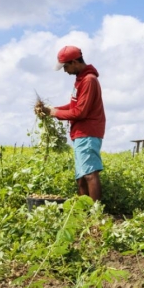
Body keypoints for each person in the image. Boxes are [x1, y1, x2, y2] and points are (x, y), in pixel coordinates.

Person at [40, 46, 106, 202]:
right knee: (81, 177)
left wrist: (54, 113)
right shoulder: (81, 80)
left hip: (88, 132)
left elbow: (80, 112)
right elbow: (74, 106)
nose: (65, 71)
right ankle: (84, 213)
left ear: (75, 62)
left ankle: (95, 215)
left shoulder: (89, 80)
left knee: (89, 174)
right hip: (81, 133)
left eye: (66, 66)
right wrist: (52, 109)